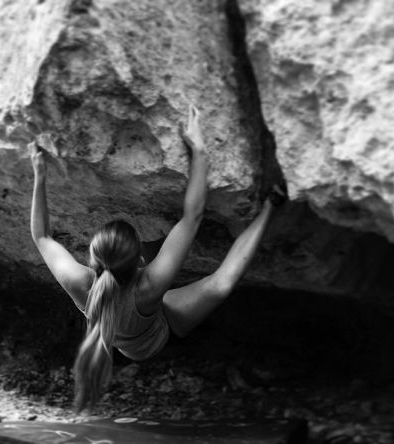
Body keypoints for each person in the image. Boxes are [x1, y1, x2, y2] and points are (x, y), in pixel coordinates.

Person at [29, 105, 285, 411]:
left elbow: (42, 237)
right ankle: (270, 207)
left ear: (93, 260)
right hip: (164, 332)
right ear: (139, 263)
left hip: (131, 335)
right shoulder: (150, 286)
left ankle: (272, 206)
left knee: (163, 249)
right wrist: (199, 150)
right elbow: (193, 217)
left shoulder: (78, 282)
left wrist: (39, 175)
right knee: (220, 283)